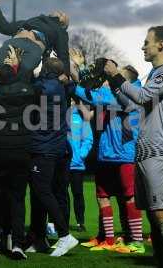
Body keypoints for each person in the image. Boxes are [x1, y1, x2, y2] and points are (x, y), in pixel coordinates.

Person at [104, 25, 163, 267]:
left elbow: (142, 96)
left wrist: (117, 74)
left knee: (162, 212)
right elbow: (137, 103)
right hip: (147, 149)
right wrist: (115, 82)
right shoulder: (158, 73)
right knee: (153, 213)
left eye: (147, 42)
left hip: (159, 150)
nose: (143, 46)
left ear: (161, 45)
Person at [75, 64, 144, 254]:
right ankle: (108, 239)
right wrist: (79, 74)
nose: (108, 80)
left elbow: (96, 96)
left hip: (124, 155)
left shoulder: (130, 95)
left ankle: (137, 241)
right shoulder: (109, 96)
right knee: (102, 196)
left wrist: (73, 86)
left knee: (129, 197)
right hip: (106, 154)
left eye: (114, 77)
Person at [0, 46, 37, 260]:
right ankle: (18, 243)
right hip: (21, 150)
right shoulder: (28, 90)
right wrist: (18, 65)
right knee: (18, 197)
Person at [26, 57, 78, 257]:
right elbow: (73, 86)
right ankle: (39, 239)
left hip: (43, 147)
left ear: (45, 69)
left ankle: (64, 235)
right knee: (47, 193)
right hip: (58, 148)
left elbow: (29, 85)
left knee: (41, 191)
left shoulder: (42, 86)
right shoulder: (63, 87)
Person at [0, 0, 70, 79]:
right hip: (13, 44)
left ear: (63, 24)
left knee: (21, 74)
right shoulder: (30, 22)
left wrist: (65, 73)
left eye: (63, 16)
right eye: (61, 13)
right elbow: (5, 28)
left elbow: (63, 53)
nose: (62, 13)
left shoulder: (60, 30)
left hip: (33, 48)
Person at [67, 99, 93, 232]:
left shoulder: (82, 117)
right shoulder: (60, 114)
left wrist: (80, 155)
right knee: (60, 194)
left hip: (76, 164)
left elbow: (88, 139)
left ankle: (80, 222)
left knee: (78, 194)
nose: (72, 102)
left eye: (74, 100)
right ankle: (59, 222)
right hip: (62, 164)